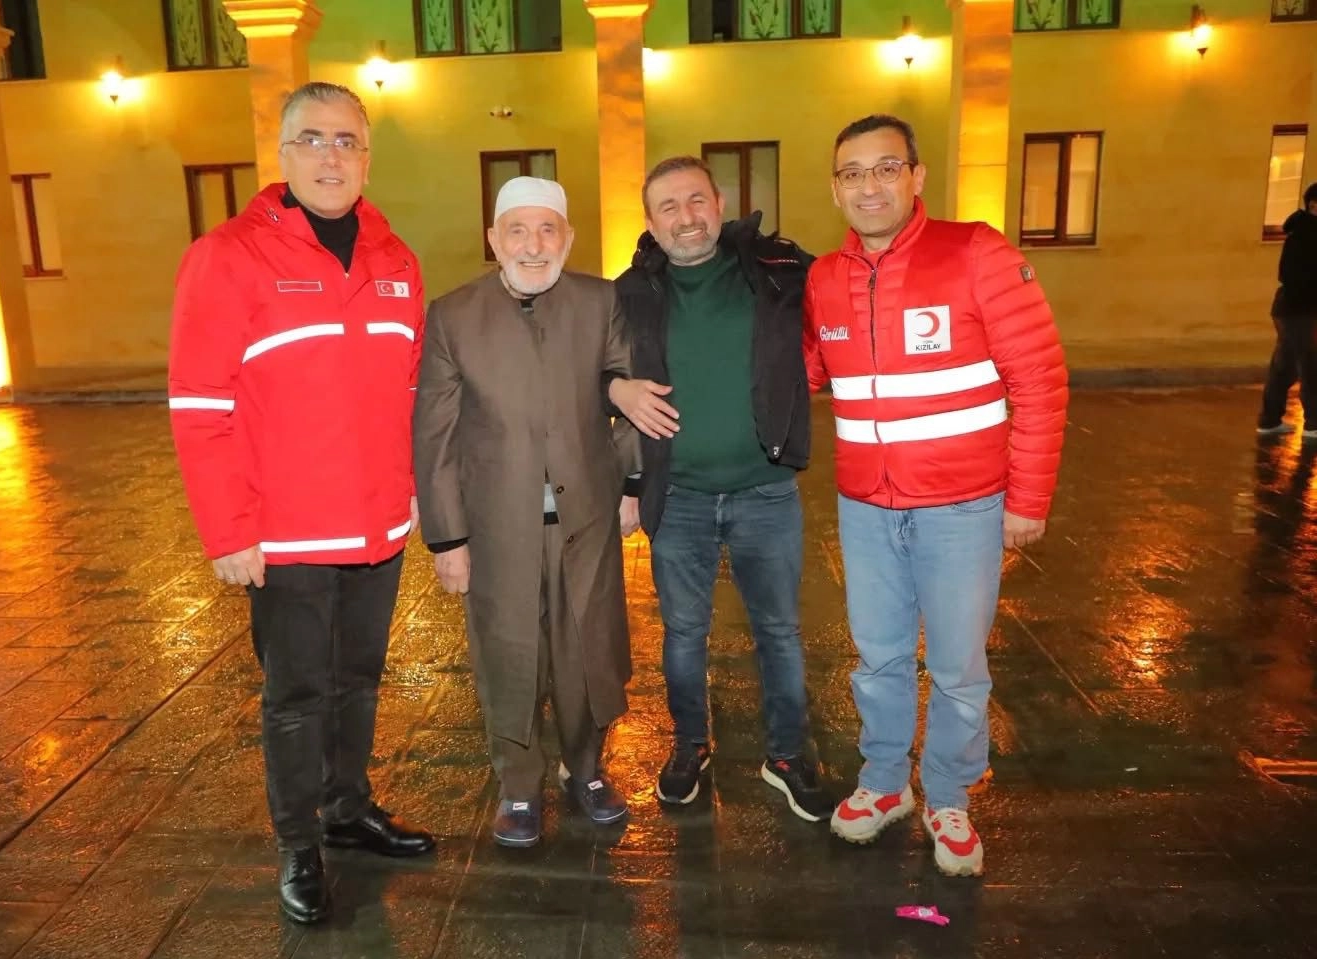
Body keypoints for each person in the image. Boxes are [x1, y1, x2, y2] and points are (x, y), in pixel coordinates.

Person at [168, 81, 435, 925]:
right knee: (296, 694)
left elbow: (412, 390)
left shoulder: (396, 261)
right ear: (283, 155)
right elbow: (199, 406)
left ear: (367, 157)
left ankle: (347, 808)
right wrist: (228, 531)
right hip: (284, 534)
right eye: (312, 139)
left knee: (358, 679)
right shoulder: (228, 256)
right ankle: (298, 841)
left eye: (346, 140)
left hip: (377, 525)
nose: (330, 155)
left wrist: (413, 492)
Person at [804, 114, 1068, 877]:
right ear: (835, 189)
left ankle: (948, 794)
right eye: (852, 172)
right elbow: (804, 369)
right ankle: (886, 780)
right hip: (866, 505)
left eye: (885, 167)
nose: (869, 185)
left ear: (916, 177)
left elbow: (1038, 380)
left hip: (962, 507)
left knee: (956, 664)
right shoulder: (824, 278)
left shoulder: (975, 252)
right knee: (877, 656)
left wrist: (1027, 499)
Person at [412, 176, 639, 848]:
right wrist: (447, 539)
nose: (533, 245)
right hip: (496, 528)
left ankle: (585, 768)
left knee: (587, 649)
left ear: (568, 237)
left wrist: (630, 485)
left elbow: (625, 390)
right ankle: (517, 782)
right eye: (518, 230)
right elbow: (435, 435)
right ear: (494, 239)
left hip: (585, 521)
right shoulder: (454, 315)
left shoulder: (600, 302)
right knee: (508, 653)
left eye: (547, 230)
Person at [606, 155, 834, 823]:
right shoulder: (629, 293)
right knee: (683, 632)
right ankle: (690, 745)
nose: (686, 217)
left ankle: (786, 754)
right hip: (677, 495)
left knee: (779, 631)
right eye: (668, 206)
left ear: (719, 203)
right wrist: (615, 390)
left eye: (696, 200)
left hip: (765, 490)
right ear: (650, 222)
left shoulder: (776, 270)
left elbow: (846, 313)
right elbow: (587, 365)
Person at [1257, 182, 1317, 439]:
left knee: (1285, 367)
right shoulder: (1308, 234)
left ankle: (1269, 421)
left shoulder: (1301, 231)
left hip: (1289, 309)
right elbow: (1295, 275)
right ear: (1314, 206)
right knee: (1311, 365)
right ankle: (1314, 424)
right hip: (1299, 310)